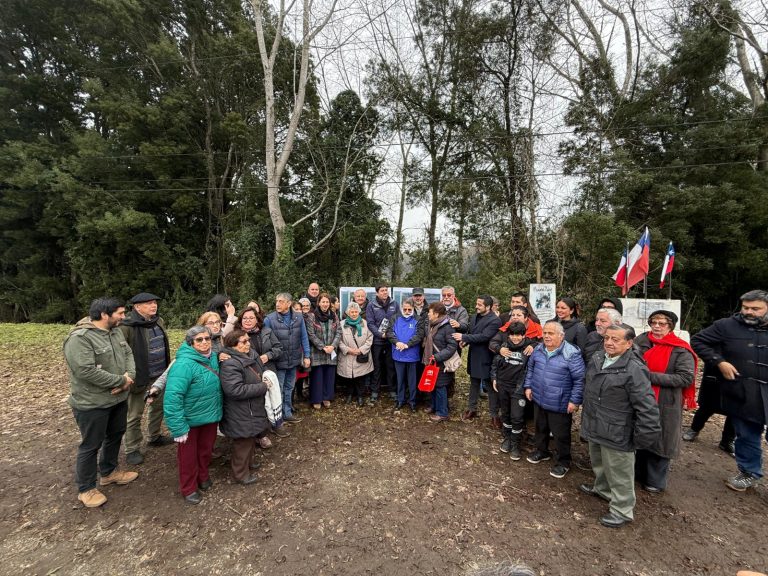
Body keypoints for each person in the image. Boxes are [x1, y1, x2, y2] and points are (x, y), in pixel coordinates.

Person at [580, 324, 661, 528]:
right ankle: (602, 489)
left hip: (618, 429)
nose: (609, 342)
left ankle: (622, 510)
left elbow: (647, 406)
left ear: (629, 343)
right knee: (599, 462)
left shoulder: (634, 368)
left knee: (620, 471)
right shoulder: (599, 358)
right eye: (607, 338)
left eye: (615, 339)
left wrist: (644, 437)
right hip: (595, 422)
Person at [63, 297, 139, 508]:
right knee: (91, 444)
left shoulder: (115, 331)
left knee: (115, 435)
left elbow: (128, 353)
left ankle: (109, 472)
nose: (124, 317)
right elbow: (85, 370)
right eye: (120, 313)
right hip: (92, 403)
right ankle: (85, 489)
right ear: (105, 315)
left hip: (117, 398)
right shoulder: (80, 338)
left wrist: (128, 378)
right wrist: (120, 380)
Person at [690, 290, 768, 492]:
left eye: (755, 309)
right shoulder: (726, 325)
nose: (749, 312)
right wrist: (719, 362)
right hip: (742, 391)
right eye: (745, 308)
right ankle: (749, 472)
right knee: (746, 435)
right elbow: (698, 341)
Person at [633, 310, 696, 493]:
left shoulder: (680, 349)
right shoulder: (641, 341)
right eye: (654, 322)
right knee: (641, 433)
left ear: (671, 326)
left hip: (665, 401)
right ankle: (638, 473)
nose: (657, 326)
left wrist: (649, 376)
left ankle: (655, 480)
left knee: (662, 439)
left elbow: (685, 378)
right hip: (640, 396)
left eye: (662, 323)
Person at [164, 326, 223, 504]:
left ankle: (202, 477)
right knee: (188, 456)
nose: (205, 342)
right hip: (190, 419)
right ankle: (188, 487)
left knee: (206, 450)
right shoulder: (183, 365)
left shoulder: (213, 357)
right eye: (199, 340)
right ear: (190, 343)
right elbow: (173, 396)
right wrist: (178, 427)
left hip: (210, 415)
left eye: (207, 338)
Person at [523, 320, 585, 479]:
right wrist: (528, 386)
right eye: (545, 333)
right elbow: (530, 369)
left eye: (551, 333)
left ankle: (564, 461)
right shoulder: (538, 349)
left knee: (560, 434)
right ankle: (541, 451)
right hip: (539, 397)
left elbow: (579, 379)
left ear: (561, 336)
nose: (546, 336)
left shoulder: (571, 353)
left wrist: (574, 401)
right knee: (540, 428)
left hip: (560, 401)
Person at [119, 292, 172, 465]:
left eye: (155, 302)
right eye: (148, 303)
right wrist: (126, 375)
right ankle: (132, 448)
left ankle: (154, 436)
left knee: (158, 407)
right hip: (139, 376)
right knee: (134, 415)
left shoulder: (158, 321)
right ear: (136, 307)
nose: (153, 305)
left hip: (160, 374)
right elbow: (121, 354)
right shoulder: (126, 326)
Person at [218, 330, 271, 485]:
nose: (248, 343)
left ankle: (250, 463)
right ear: (233, 345)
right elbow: (234, 390)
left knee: (250, 438)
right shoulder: (230, 364)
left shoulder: (247, 356)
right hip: (240, 411)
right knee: (243, 443)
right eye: (243, 342)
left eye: (248, 340)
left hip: (251, 408)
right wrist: (262, 387)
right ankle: (240, 474)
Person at [264, 292, 310, 424]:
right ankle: (278, 418)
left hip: (293, 359)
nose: (278, 304)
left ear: (289, 304)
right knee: (278, 389)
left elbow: (304, 337)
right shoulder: (269, 319)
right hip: (278, 361)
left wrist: (306, 355)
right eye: (277, 301)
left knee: (289, 387)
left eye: (281, 301)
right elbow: (266, 342)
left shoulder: (298, 317)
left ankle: (288, 412)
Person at [455, 295, 502, 425]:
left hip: (487, 356)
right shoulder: (474, 316)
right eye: (477, 303)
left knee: (490, 386)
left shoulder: (495, 320)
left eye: (480, 305)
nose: (476, 306)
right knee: (474, 383)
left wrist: (464, 336)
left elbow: (484, 336)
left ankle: (494, 414)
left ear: (488, 307)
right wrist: (465, 342)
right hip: (474, 354)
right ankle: (472, 409)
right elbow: (472, 332)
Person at [491, 322, 534, 460]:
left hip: (519, 388)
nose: (515, 338)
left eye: (519, 335)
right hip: (503, 385)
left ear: (524, 335)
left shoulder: (529, 347)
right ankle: (507, 438)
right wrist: (494, 378)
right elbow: (495, 364)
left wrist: (533, 346)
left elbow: (541, 346)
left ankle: (516, 443)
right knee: (506, 413)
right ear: (508, 335)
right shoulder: (504, 346)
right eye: (513, 335)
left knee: (517, 416)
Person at [386, 298, 424, 412]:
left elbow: (419, 335)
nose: (407, 311)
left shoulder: (418, 319)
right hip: (398, 353)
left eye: (409, 309)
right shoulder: (395, 317)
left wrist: (407, 345)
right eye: (405, 309)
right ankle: (400, 400)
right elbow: (389, 332)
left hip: (412, 354)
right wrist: (397, 342)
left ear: (413, 309)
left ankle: (412, 401)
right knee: (400, 379)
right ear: (401, 308)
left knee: (412, 380)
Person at [423, 302, 458, 422]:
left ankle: (442, 412)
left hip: (441, 363)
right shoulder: (432, 324)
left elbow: (452, 346)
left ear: (436, 314)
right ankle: (434, 406)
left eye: (430, 312)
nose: (428, 314)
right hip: (432, 361)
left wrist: (437, 357)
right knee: (432, 385)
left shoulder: (447, 326)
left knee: (440, 387)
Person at [365, 284, 400, 404]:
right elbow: (370, 323)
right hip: (377, 341)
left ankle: (392, 390)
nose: (385, 292)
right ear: (377, 293)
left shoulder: (394, 304)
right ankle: (375, 391)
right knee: (377, 366)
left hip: (391, 341)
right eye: (382, 290)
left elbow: (398, 320)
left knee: (391, 366)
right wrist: (380, 334)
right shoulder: (371, 305)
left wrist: (391, 334)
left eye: (386, 290)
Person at [306, 293, 342, 409]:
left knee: (329, 375)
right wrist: (322, 347)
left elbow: (339, 332)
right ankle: (317, 399)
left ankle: (326, 397)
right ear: (319, 303)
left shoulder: (334, 316)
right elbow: (311, 334)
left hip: (331, 350)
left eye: (327, 302)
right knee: (317, 376)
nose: (325, 304)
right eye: (323, 302)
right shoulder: (312, 316)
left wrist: (333, 346)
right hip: (317, 351)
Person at [337, 302, 374, 406]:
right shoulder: (342, 324)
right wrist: (348, 349)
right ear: (348, 313)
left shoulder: (365, 323)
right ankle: (349, 395)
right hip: (347, 355)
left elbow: (370, 338)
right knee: (349, 377)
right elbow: (338, 340)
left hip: (360, 355)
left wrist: (361, 350)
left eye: (356, 312)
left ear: (359, 312)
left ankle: (360, 396)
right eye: (351, 312)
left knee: (360, 377)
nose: (354, 314)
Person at [234, 307, 283, 373]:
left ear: (257, 320)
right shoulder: (235, 335)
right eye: (244, 318)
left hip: (268, 371)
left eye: (251, 318)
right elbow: (230, 352)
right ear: (241, 320)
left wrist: (268, 356)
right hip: (248, 373)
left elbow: (279, 348)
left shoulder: (266, 331)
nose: (247, 320)